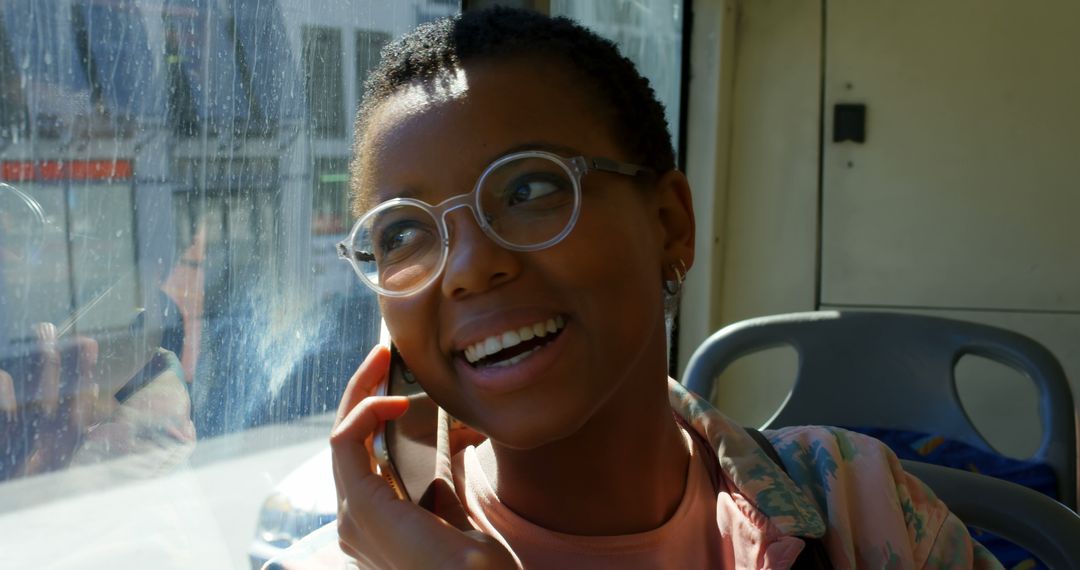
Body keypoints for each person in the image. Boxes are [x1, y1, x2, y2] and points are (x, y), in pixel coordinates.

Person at [274, 8, 1003, 569]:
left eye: (529, 189)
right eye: (402, 234)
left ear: (669, 222)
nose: (466, 267)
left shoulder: (857, 503)